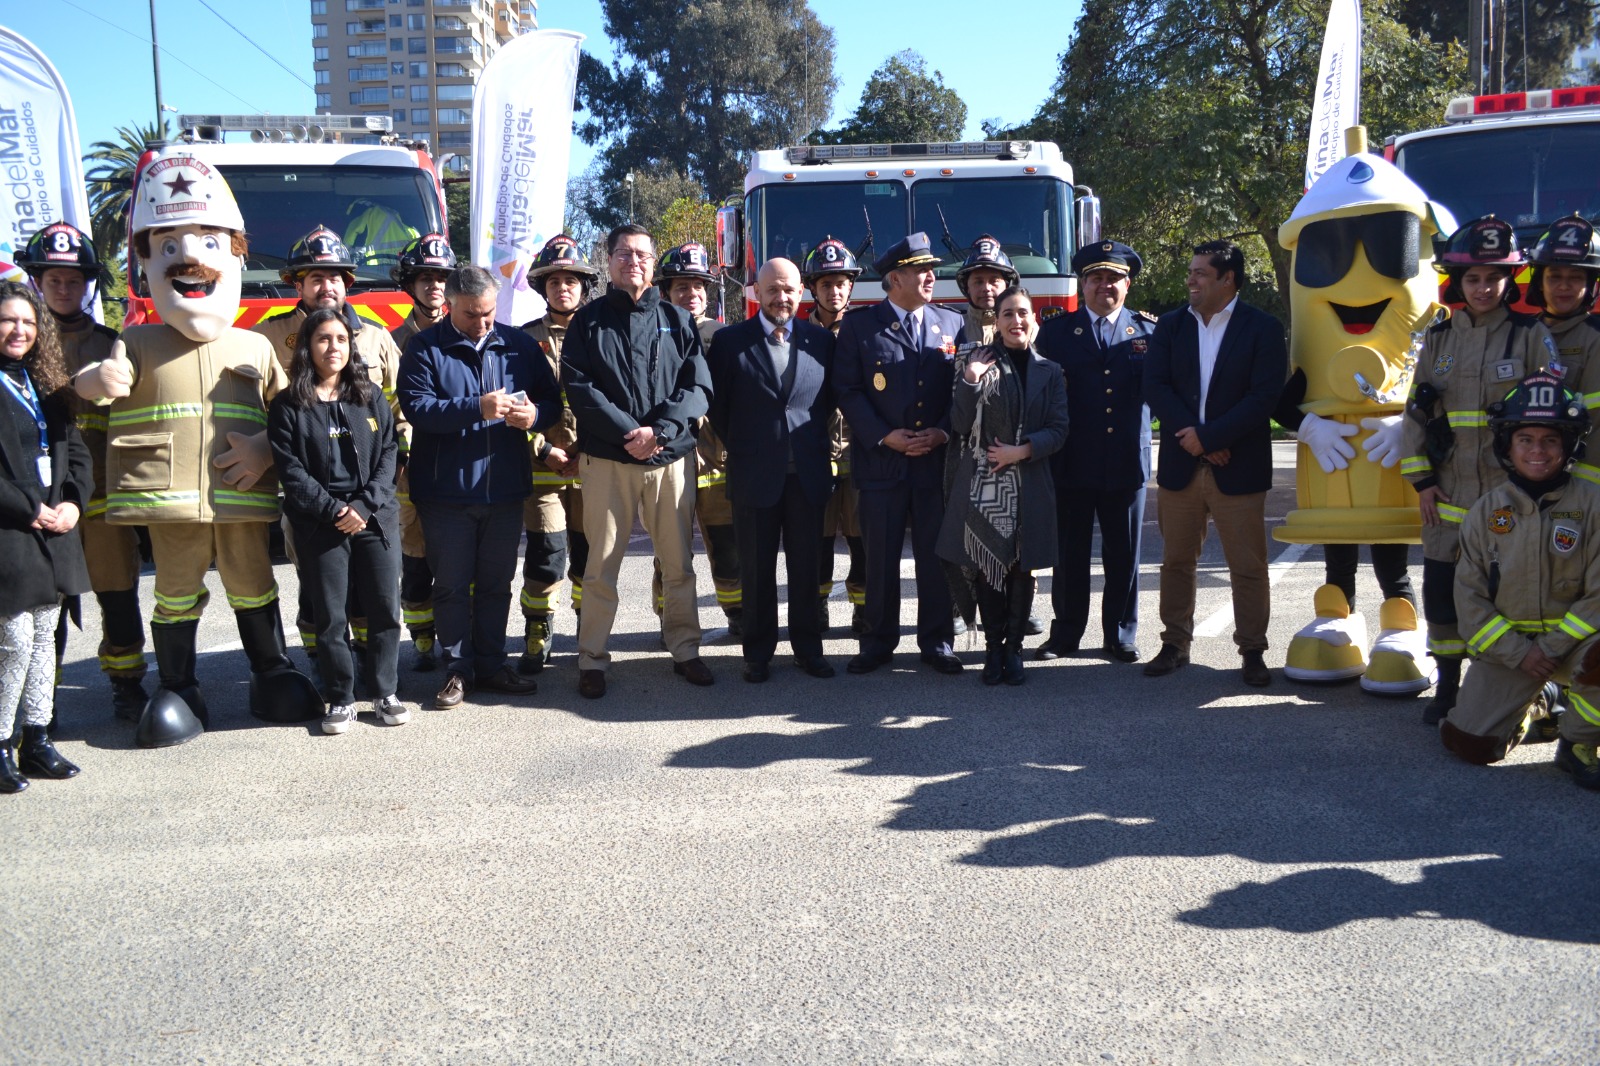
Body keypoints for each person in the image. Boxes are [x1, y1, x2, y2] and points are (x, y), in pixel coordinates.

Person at [75, 148, 320, 746]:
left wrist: (267, 446)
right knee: (176, 592)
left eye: (209, 244)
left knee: (254, 583)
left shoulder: (256, 346)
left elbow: (292, 414)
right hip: (169, 499)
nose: (188, 258)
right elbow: (82, 398)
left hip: (240, 497)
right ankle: (179, 687)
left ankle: (270, 671)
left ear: (233, 256)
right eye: (169, 248)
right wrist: (92, 382)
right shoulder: (135, 341)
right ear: (148, 263)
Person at [1401, 216, 1556, 724]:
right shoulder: (1440, 339)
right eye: (1473, 278)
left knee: (1509, 598)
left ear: (1510, 281)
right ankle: (1446, 689)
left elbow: (1549, 415)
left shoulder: (1530, 335)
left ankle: (1512, 692)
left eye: (1494, 277)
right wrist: (1422, 481)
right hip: (1446, 497)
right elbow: (1416, 415)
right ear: (1457, 281)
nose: (1484, 287)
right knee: (1444, 597)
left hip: (1509, 497)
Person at [561, 224, 714, 699]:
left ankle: (685, 649)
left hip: (670, 459)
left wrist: (660, 432)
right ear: (608, 261)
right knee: (601, 565)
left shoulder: (678, 320)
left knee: (678, 564)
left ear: (653, 263)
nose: (634, 261)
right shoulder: (587, 324)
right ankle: (591, 660)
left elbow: (697, 387)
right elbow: (580, 390)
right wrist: (631, 434)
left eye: (643, 255)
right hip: (609, 460)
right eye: (624, 253)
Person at [396, 265, 559, 708]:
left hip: (504, 489)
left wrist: (535, 417)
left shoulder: (519, 344)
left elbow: (552, 401)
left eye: (488, 313)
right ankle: (457, 669)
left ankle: (490, 664)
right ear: (449, 305)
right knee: (450, 584)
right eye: (471, 315)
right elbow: (419, 409)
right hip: (445, 493)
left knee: (494, 583)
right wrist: (478, 407)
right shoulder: (425, 347)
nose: (483, 323)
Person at [253, 226, 407, 663]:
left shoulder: (377, 338)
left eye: (335, 277)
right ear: (296, 283)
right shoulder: (267, 338)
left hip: (369, 496)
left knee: (370, 587)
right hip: (309, 497)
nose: (326, 286)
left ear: (347, 283)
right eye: (315, 277)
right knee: (316, 583)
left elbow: (397, 413)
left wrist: (399, 464)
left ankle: (365, 664)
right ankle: (323, 665)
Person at [17, 222, 149, 719]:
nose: (65, 289)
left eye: (74, 281)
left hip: (102, 499)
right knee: (43, 610)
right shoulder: (21, 346)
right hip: (41, 504)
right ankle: (38, 702)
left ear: (88, 283)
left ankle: (127, 683)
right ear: (38, 282)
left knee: (118, 596)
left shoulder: (112, 343)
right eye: (55, 281)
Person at [1142, 239, 1289, 687]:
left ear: (1228, 279)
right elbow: (1156, 385)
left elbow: (1264, 396)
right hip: (1182, 467)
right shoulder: (1170, 326)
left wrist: (1211, 437)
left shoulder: (1262, 328)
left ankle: (1252, 650)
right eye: (1191, 271)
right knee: (1176, 561)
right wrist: (1199, 441)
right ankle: (1174, 644)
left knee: (1247, 565)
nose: (1190, 279)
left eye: (1201, 273)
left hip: (1238, 466)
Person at [1439, 370, 1600, 779]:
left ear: (1569, 445)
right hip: (1512, 653)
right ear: (1507, 445)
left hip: (1579, 647)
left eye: (1550, 439)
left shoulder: (1594, 505)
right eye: (1525, 439)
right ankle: (1541, 702)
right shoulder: (1484, 512)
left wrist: (1551, 648)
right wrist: (1520, 654)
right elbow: (1469, 599)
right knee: (1470, 745)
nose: (1538, 451)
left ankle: (1579, 742)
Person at [835, 232, 967, 675]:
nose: (931, 277)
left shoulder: (951, 323)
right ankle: (877, 641)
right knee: (880, 557)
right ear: (894, 279)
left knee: (935, 556)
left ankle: (937, 641)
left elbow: (961, 394)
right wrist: (883, 435)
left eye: (931, 269)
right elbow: (848, 390)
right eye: (920, 271)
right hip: (881, 462)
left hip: (933, 462)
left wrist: (943, 433)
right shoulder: (859, 325)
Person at [269, 308, 405, 735]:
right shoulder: (288, 405)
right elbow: (290, 472)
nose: (334, 348)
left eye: (342, 339)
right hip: (320, 524)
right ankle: (341, 698)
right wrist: (334, 511)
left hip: (374, 518)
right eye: (324, 339)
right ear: (308, 347)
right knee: (331, 617)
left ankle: (384, 692)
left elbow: (389, 454)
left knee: (385, 609)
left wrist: (364, 507)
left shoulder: (370, 396)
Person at [707, 257, 836, 682]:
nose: (782, 297)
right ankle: (757, 653)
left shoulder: (822, 342)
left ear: (801, 292)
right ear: (757, 293)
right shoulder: (730, 342)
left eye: (789, 289)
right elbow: (718, 408)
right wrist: (749, 447)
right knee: (756, 569)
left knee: (806, 566)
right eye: (772, 290)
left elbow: (828, 404)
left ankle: (808, 648)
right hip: (754, 474)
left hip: (808, 474)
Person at [937, 287, 1069, 685]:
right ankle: (993, 649)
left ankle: (1014, 650)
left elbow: (1060, 430)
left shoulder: (1051, 370)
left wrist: (1022, 451)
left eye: (1023, 313)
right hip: (984, 484)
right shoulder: (972, 359)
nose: (1016, 321)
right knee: (987, 567)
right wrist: (971, 381)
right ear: (997, 321)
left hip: (1028, 482)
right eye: (1008, 314)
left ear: (1034, 319)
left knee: (1020, 570)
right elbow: (959, 426)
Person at [1036, 240, 1156, 663]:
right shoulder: (1053, 334)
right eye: (1096, 278)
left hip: (1126, 459)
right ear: (1082, 285)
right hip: (1071, 460)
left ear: (1127, 286)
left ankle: (1121, 634)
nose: (1104, 286)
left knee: (1124, 553)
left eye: (1114, 279)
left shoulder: (1147, 332)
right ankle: (1065, 633)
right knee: (1069, 555)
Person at [0, 282, 92, 792]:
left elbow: (75, 454)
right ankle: (1, 740)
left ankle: (36, 738)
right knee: (12, 640)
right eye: (9, 321)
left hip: (55, 526)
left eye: (29, 323)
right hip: (11, 527)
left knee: (43, 639)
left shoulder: (47, 386)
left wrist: (74, 504)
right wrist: (27, 507)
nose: (20, 330)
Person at [517, 234, 598, 673]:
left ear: (584, 286)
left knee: (590, 554)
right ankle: (538, 628)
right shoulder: (525, 341)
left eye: (571, 280)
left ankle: (589, 627)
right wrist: (543, 447)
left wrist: (587, 446)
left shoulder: (601, 333)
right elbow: (514, 406)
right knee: (547, 554)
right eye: (554, 281)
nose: (563, 287)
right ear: (542, 288)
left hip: (591, 465)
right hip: (543, 467)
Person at [656, 242, 743, 638]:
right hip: (668, 460)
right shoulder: (652, 335)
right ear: (665, 293)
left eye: (698, 286)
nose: (691, 294)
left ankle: (738, 616)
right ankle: (669, 621)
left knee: (728, 548)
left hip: (719, 461)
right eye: (681, 287)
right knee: (668, 554)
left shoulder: (725, 337)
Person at [389, 233, 456, 672]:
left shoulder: (465, 332)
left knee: (456, 558)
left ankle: (457, 638)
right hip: (410, 469)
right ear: (410, 284)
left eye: (441, 278)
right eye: (425, 278)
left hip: (457, 466)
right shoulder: (392, 341)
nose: (434, 286)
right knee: (415, 559)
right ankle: (422, 638)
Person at [801, 237, 867, 636]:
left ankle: (863, 608)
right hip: (814, 456)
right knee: (817, 542)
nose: (834, 290)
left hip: (860, 456)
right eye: (825, 283)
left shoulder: (866, 330)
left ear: (851, 286)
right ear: (812, 288)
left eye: (841, 282)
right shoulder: (796, 334)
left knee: (863, 542)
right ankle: (818, 605)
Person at [1527, 215, 1600, 485]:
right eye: (1554, 276)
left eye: (1576, 277)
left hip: (1586, 480)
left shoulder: (1595, 336)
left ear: (1591, 284)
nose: (1564, 286)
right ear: (1539, 282)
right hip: (1532, 473)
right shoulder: (1521, 333)